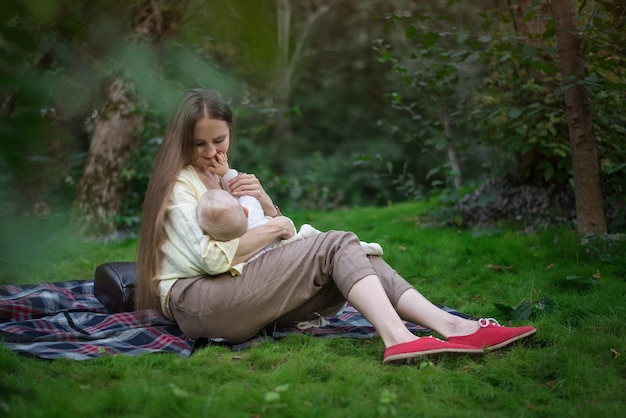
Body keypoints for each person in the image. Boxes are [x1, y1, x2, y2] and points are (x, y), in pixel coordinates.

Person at [135, 88, 537, 365]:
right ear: (181, 142)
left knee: (352, 254)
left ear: (231, 133)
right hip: (202, 302)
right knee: (334, 244)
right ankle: (400, 339)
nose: (211, 153)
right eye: (199, 144)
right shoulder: (178, 188)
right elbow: (211, 258)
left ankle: (457, 327)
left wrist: (265, 203)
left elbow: (276, 243)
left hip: (241, 293)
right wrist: (279, 227)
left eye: (218, 141)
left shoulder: (230, 178)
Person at [195, 151, 384, 261]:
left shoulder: (227, 237)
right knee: (321, 239)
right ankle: (360, 248)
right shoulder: (249, 211)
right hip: (283, 245)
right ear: (242, 210)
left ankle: (355, 250)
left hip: (264, 258)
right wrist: (226, 172)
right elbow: (243, 193)